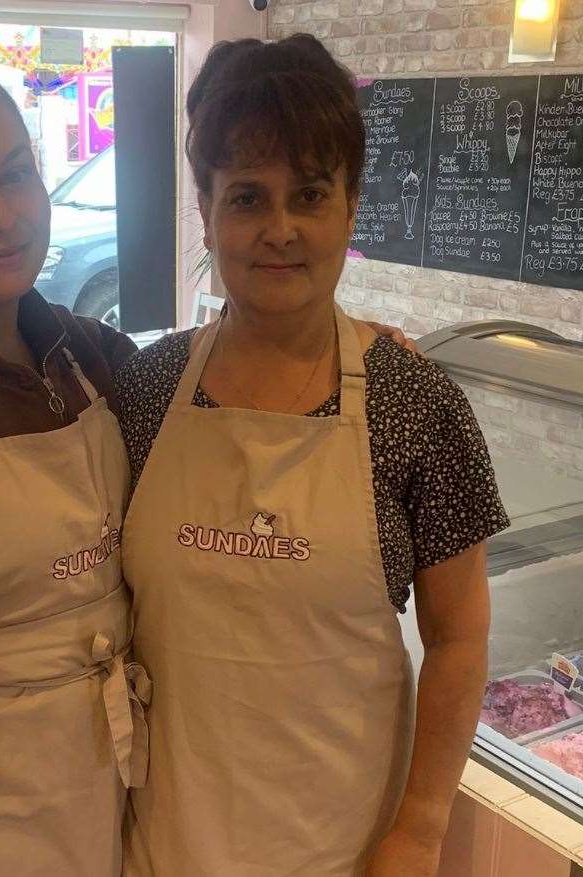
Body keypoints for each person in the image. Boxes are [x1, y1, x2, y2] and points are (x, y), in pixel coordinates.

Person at [0, 56, 413, 874]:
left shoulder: (88, 361)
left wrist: (351, 347)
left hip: (115, 821)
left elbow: (225, 374)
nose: (0, 215)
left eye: (14, 175)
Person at [115, 35, 509, 876]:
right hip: (164, 840)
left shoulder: (418, 404)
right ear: (207, 207)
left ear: (352, 206)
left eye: (311, 194)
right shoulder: (142, 395)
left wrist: (423, 828)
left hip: (347, 845)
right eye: (248, 197)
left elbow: (461, 636)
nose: (280, 229)